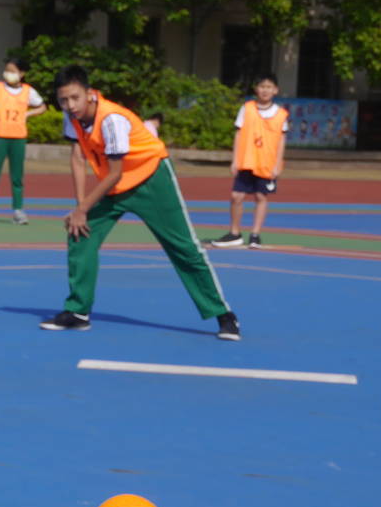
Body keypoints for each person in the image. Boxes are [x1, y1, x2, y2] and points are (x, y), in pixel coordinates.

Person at [40, 65, 240, 341]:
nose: (70, 105)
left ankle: (224, 316)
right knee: (79, 234)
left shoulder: (111, 119)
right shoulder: (71, 118)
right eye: (63, 99)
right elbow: (77, 158)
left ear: (89, 94)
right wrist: (80, 209)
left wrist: (83, 208)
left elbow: (116, 172)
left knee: (183, 247)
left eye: (75, 98)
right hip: (113, 187)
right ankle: (78, 312)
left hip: (150, 179)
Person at [210, 73, 288, 249]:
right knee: (236, 196)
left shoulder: (280, 114)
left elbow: (282, 141)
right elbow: (238, 134)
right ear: (256, 89)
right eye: (262, 86)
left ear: (275, 90)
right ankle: (235, 233)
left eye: (269, 87)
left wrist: (278, 164)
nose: (265, 90)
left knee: (261, 196)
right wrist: (234, 160)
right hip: (247, 160)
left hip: (267, 163)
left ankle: (255, 234)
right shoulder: (247, 108)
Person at [0, 57, 47, 224]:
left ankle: (18, 211)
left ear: (22, 73)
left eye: (13, 71)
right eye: (7, 70)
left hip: (18, 137)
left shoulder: (28, 91)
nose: (8, 74)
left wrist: (28, 114)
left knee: (17, 176)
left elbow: (42, 106)